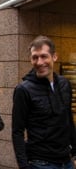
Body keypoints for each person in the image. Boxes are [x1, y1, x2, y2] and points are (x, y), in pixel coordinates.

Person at [12, 35, 76, 169]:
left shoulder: (65, 84)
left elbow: (68, 120)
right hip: (40, 163)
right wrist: (24, 166)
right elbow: (17, 131)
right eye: (35, 57)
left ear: (54, 57)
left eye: (44, 56)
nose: (39, 62)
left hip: (67, 162)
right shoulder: (23, 90)